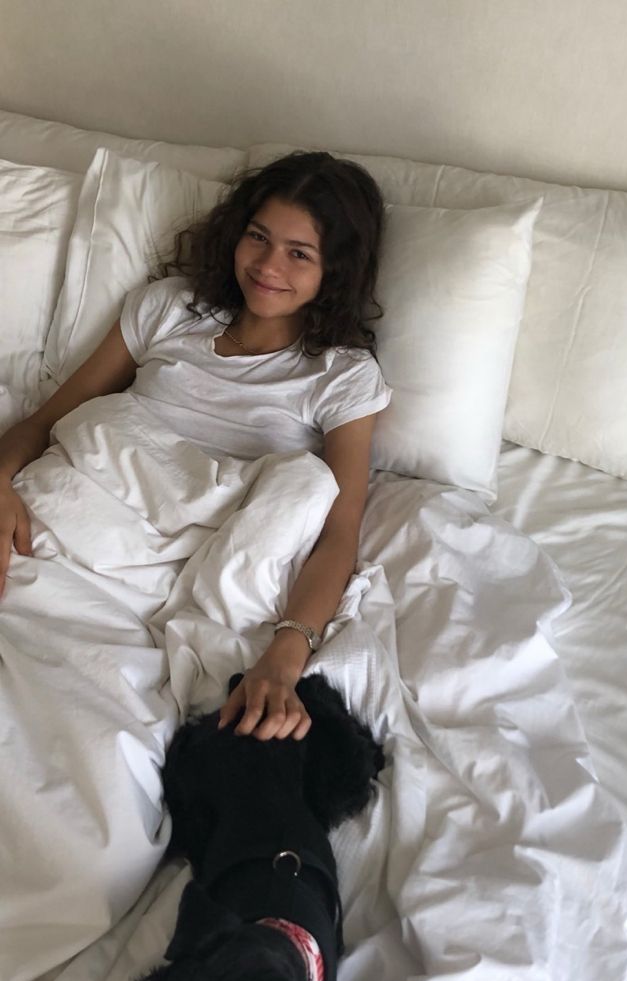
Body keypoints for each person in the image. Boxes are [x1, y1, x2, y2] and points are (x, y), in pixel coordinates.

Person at [0, 151, 390, 741]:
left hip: (200, 563)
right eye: (258, 237)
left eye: (299, 253)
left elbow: (338, 530)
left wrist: (287, 655)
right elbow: (50, 419)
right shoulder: (170, 309)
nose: (267, 265)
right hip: (75, 519)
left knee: (306, 483)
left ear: (334, 270)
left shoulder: (342, 375)